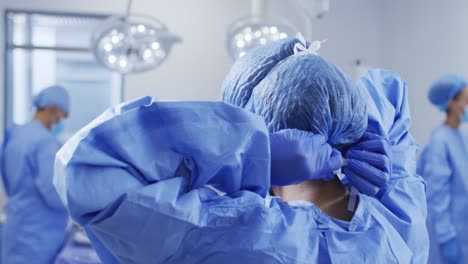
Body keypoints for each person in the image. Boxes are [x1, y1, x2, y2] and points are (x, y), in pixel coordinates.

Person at [54, 36, 428, 263]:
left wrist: (249, 152)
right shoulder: (398, 211)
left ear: (249, 124)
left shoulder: (239, 235)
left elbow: (89, 169)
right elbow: (387, 86)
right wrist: (365, 132)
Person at [0, 85, 70, 263]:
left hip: (16, 224)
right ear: (53, 109)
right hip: (38, 233)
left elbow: (8, 181)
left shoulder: (15, 134)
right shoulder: (45, 143)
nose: (60, 123)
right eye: (61, 117)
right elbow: (54, 192)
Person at [417, 74, 468, 264]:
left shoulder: (461, 137)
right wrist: (446, 237)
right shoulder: (440, 141)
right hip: (448, 235)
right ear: (452, 104)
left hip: (463, 231)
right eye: (466, 99)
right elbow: (437, 195)